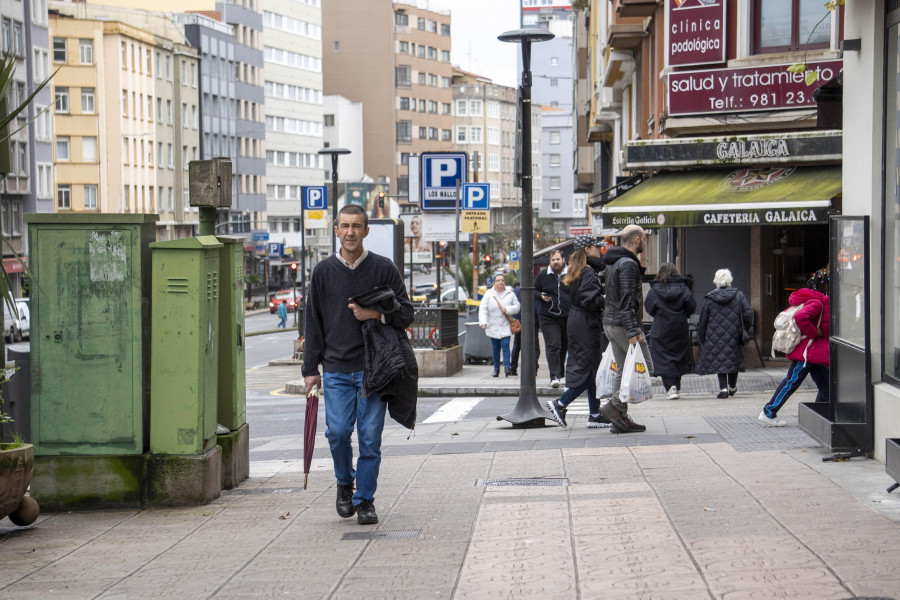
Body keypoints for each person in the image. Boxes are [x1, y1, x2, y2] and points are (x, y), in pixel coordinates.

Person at [302, 204, 414, 526]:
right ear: (336, 230)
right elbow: (314, 324)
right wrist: (311, 370)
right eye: (344, 226)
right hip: (335, 368)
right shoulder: (323, 272)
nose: (350, 231)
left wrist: (376, 315)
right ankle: (343, 482)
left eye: (357, 226)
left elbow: (407, 314)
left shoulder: (383, 269)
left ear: (366, 231)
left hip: (374, 370)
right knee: (337, 433)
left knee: (369, 437)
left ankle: (365, 500)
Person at [546, 235, 610, 429]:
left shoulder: (577, 269)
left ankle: (595, 413)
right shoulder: (589, 272)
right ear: (588, 249)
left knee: (591, 367)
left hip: (577, 321)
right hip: (585, 323)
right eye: (597, 247)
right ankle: (561, 403)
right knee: (589, 370)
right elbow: (589, 300)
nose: (600, 250)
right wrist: (605, 298)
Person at [759, 267, 830, 427]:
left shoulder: (814, 299)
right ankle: (768, 411)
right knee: (791, 381)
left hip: (813, 352)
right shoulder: (817, 302)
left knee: (825, 381)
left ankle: (832, 410)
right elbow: (800, 317)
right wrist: (815, 333)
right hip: (807, 351)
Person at [599, 224, 652, 433]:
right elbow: (627, 299)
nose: (645, 243)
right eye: (645, 239)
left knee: (623, 369)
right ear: (637, 239)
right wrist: (633, 331)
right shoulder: (628, 264)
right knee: (644, 365)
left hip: (611, 323)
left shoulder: (614, 263)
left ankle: (619, 418)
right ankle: (615, 407)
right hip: (623, 325)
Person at [696, 268, 754, 398]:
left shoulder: (709, 298)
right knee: (733, 358)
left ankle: (723, 389)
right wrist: (745, 328)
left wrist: (702, 336)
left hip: (714, 335)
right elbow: (748, 313)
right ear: (730, 280)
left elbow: (703, 319)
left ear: (716, 281)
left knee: (720, 359)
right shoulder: (738, 295)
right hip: (735, 333)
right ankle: (732, 386)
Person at [645, 263, 696, 399]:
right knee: (678, 355)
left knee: (663, 356)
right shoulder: (684, 288)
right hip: (679, 326)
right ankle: (676, 386)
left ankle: (670, 387)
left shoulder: (655, 290)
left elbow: (649, 308)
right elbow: (691, 305)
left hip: (661, 326)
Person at [535, 249, 571, 387]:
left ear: (563, 260)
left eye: (557, 259)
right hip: (548, 316)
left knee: (564, 346)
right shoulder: (543, 275)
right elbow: (534, 290)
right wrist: (541, 297)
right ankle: (554, 376)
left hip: (567, 316)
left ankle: (560, 372)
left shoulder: (571, 274)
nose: (555, 262)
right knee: (553, 345)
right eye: (553, 260)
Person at [478, 276, 520, 377]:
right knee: (495, 348)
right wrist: (483, 322)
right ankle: (496, 369)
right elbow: (483, 309)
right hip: (493, 326)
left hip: (506, 325)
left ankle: (507, 368)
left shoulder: (511, 293)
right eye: (498, 280)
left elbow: (517, 307)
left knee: (505, 345)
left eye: (502, 280)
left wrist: (507, 309)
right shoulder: (489, 294)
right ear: (494, 283)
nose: (500, 282)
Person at [509, 280, 540, 377]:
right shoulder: (534, 292)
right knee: (534, 347)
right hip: (532, 322)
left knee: (517, 346)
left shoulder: (516, 292)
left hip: (519, 321)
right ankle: (533, 368)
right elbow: (537, 308)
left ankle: (513, 368)